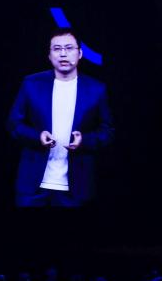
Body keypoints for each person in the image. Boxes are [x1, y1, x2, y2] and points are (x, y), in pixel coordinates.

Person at [7, 28, 115, 207]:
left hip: (76, 187)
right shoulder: (31, 84)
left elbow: (108, 130)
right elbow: (14, 124)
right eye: (57, 49)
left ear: (80, 53)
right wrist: (37, 136)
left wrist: (85, 140)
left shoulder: (96, 89)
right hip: (33, 185)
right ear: (49, 55)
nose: (63, 54)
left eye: (69, 48)